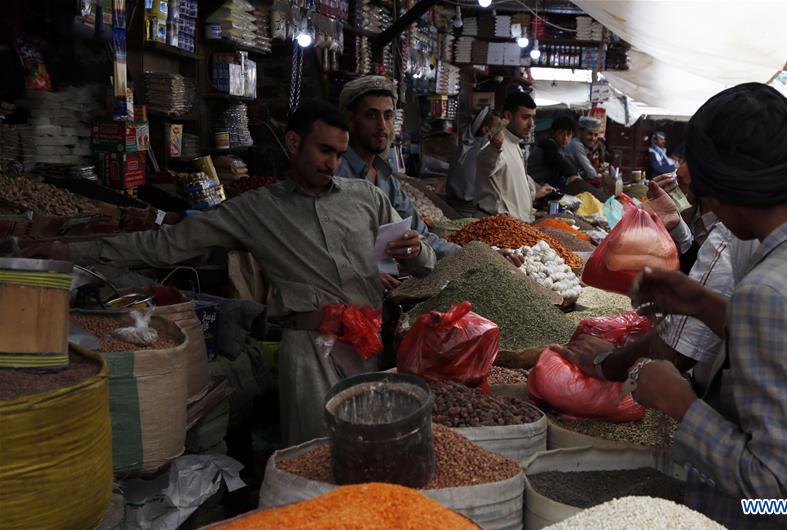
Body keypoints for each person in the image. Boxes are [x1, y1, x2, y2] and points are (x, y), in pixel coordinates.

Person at [561, 83, 787, 530]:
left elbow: (782, 492)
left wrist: (681, 404)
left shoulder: (770, 289)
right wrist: (706, 306)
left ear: (718, 195)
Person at [23, 100, 437, 446]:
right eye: (324, 150)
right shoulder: (256, 210)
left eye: (339, 154)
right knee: (319, 457)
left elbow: (414, 262)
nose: (333, 163)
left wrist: (416, 252)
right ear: (294, 143)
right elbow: (165, 245)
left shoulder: (366, 197)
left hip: (369, 348)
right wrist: (70, 250)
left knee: (376, 454)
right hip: (311, 352)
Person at [335, 76, 459, 291]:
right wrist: (360, 272)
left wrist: (476, 254)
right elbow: (324, 242)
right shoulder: (335, 173)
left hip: (388, 291)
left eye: (388, 115)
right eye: (371, 115)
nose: (382, 126)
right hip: (344, 297)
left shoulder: (387, 180)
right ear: (350, 118)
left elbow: (422, 235)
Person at [475, 91, 554, 222]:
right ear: (508, 116)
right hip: (496, 226)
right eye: (525, 117)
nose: (531, 124)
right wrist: (494, 147)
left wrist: (535, 193)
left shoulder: (515, 143)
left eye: (533, 117)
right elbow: (485, 164)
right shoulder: (496, 143)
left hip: (515, 226)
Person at [446, 107, 499, 207]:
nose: (501, 134)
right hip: (467, 208)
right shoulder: (482, 151)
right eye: (498, 129)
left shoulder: (464, 146)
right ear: (485, 130)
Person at [564, 116, 606, 182]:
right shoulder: (576, 144)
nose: (593, 138)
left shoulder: (586, 145)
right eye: (589, 133)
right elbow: (590, 172)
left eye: (595, 135)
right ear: (580, 132)